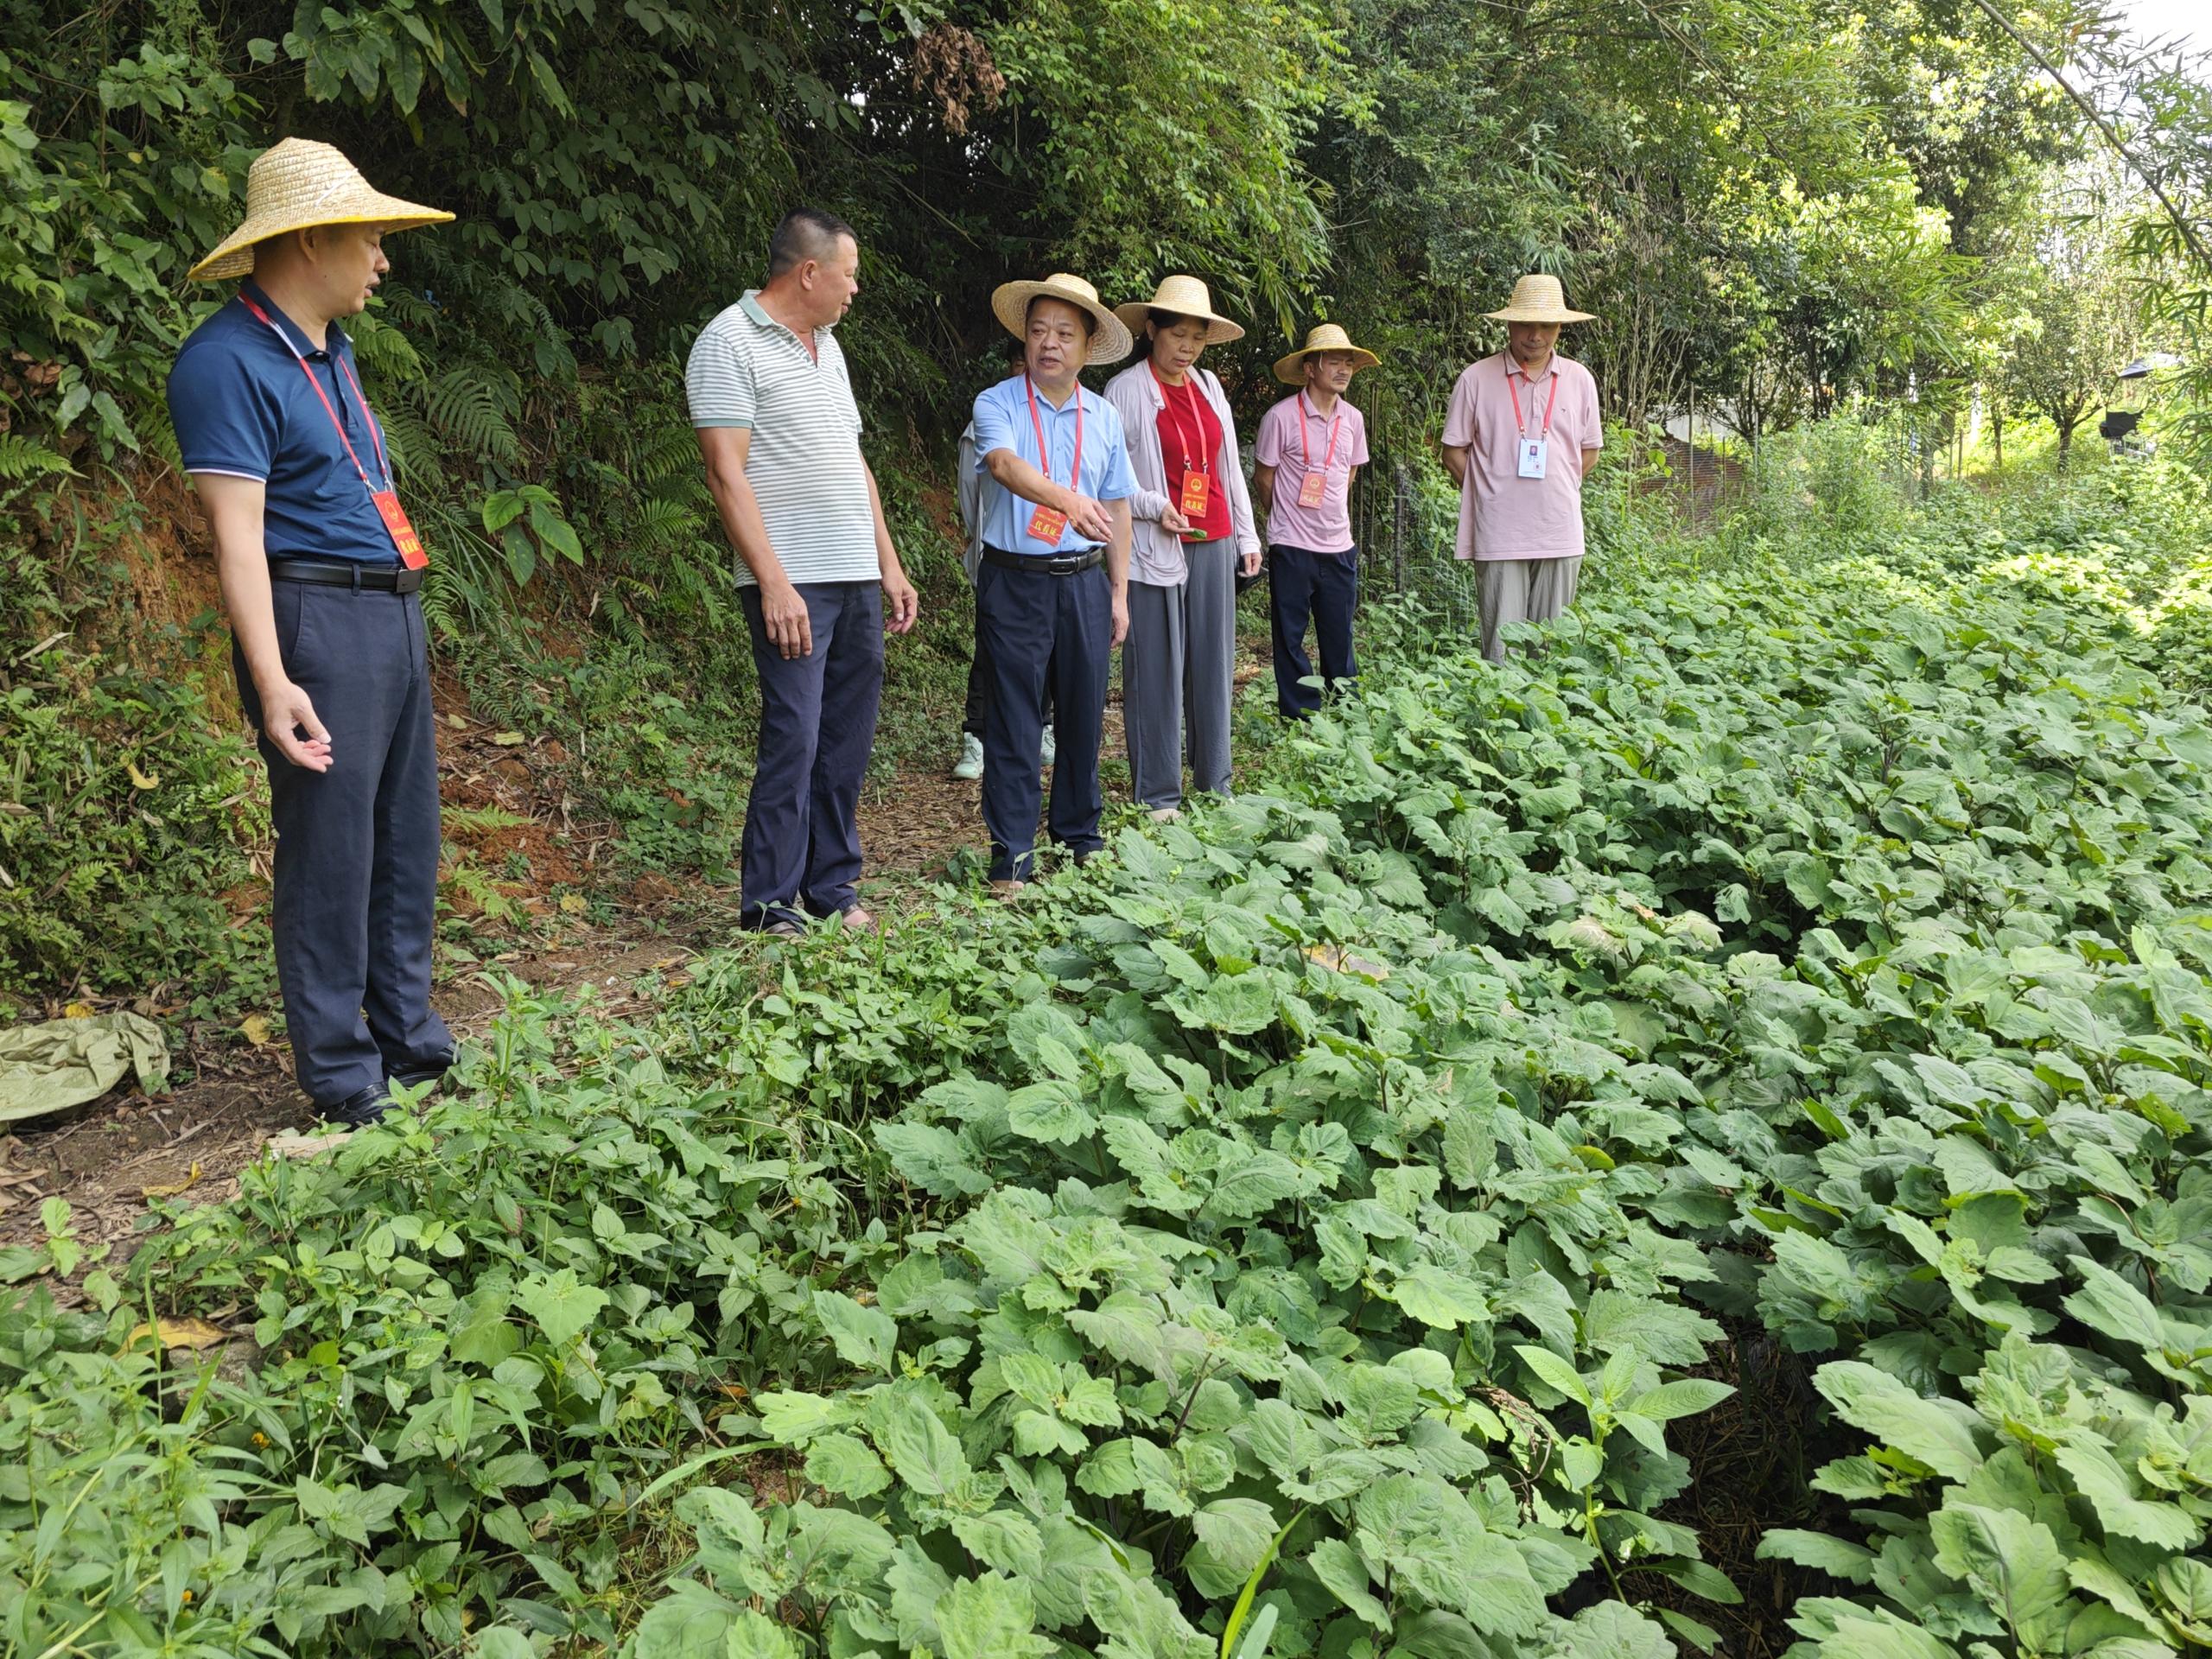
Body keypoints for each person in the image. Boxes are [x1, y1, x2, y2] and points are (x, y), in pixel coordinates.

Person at [167, 138, 457, 1128]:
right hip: (316, 620)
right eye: (370, 238)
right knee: (332, 850)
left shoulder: (329, 355)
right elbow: (236, 539)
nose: (382, 258)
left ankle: (411, 1048)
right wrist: (274, 675)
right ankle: (344, 1078)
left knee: (404, 843)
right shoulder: (224, 361)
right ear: (309, 240)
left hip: (391, 609)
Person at [688, 208, 920, 937]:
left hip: (854, 574)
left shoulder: (829, 346)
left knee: (846, 737)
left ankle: (832, 888)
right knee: (795, 735)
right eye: (849, 275)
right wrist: (773, 580)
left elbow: (853, 463)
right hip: (793, 579)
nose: (855, 290)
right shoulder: (727, 342)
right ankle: (769, 905)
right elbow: (727, 474)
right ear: (810, 272)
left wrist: (889, 562)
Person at [969, 273, 1135, 888]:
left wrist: (1119, 593)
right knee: (1014, 719)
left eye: (1065, 333)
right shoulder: (997, 403)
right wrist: (1066, 498)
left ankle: (1079, 841)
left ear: (1087, 348)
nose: (1049, 343)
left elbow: (1116, 508)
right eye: (1038, 330)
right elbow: (1005, 465)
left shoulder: (1105, 417)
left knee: (1084, 715)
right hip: (1015, 582)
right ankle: (1012, 855)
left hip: (1086, 583)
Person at [1104, 276, 1261, 818]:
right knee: (1155, 668)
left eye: (1197, 336)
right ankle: (1159, 795)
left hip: (1214, 538)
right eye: (1177, 334)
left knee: (1214, 664)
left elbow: (1228, 466)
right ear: (1152, 330)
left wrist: (1247, 533)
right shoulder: (1126, 389)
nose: (1187, 346)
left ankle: (1215, 780)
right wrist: (1152, 505)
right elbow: (1111, 476)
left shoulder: (1210, 387)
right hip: (1153, 543)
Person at [1440, 274, 1603, 662]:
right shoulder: (1475, 379)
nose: (1535, 335)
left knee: (1552, 648)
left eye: (1546, 325)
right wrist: (1490, 495)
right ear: (1509, 325)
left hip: (1559, 532)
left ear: (1560, 328)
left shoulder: (1580, 380)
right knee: (1503, 649)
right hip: (1499, 534)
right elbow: (1453, 452)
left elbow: (1589, 452)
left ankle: (1547, 723)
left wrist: (1556, 489)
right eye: (1526, 324)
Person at [1254, 323, 1376, 718]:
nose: (1343, 370)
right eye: (1334, 361)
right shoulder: (1280, 417)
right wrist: (1285, 520)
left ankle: (1344, 708)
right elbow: (1264, 476)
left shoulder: (1354, 419)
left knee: (1338, 634)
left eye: (1348, 363)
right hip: (1292, 544)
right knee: (1289, 636)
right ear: (1310, 368)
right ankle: (1299, 713)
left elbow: (1350, 476)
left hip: (1339, 546)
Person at [951, 416, 1052, 783]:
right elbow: (969, 492)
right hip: (998, 559)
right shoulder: (984, 421)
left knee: (1049, 649)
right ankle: (977, 736)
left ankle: (1043, 726)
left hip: (1052, 558)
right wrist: (983, 535)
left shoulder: (1068, 416)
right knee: (989, 652)